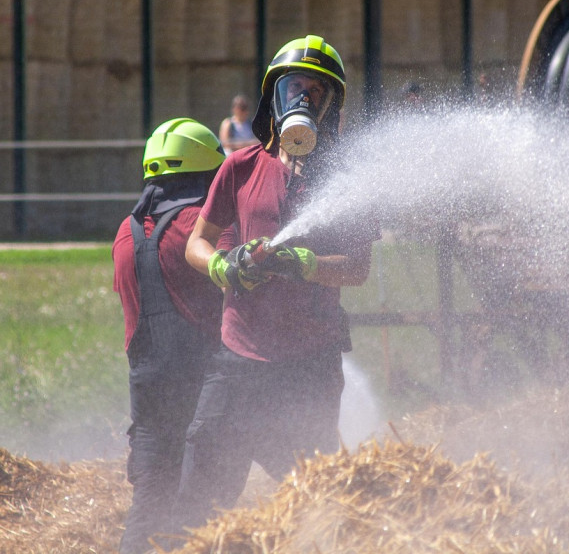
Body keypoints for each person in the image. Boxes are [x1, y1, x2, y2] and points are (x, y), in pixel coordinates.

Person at [173, 34, 380, 534]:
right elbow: (196, 242)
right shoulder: (240, 167)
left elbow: (357, 267)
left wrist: (304, 263)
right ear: (273, 98)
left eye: (317, 92)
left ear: (332, 104)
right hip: (238, 357)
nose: (304, 101)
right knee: (201, 492)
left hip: (309, 365)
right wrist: (224, 266)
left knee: (313, 500)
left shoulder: (347, 179)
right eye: (295, 89)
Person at [112, 118, 226, 554]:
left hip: (148, 391)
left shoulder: (124, 232)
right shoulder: (200, 225)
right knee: (198, 509)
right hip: (201, 387)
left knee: (149, 506)